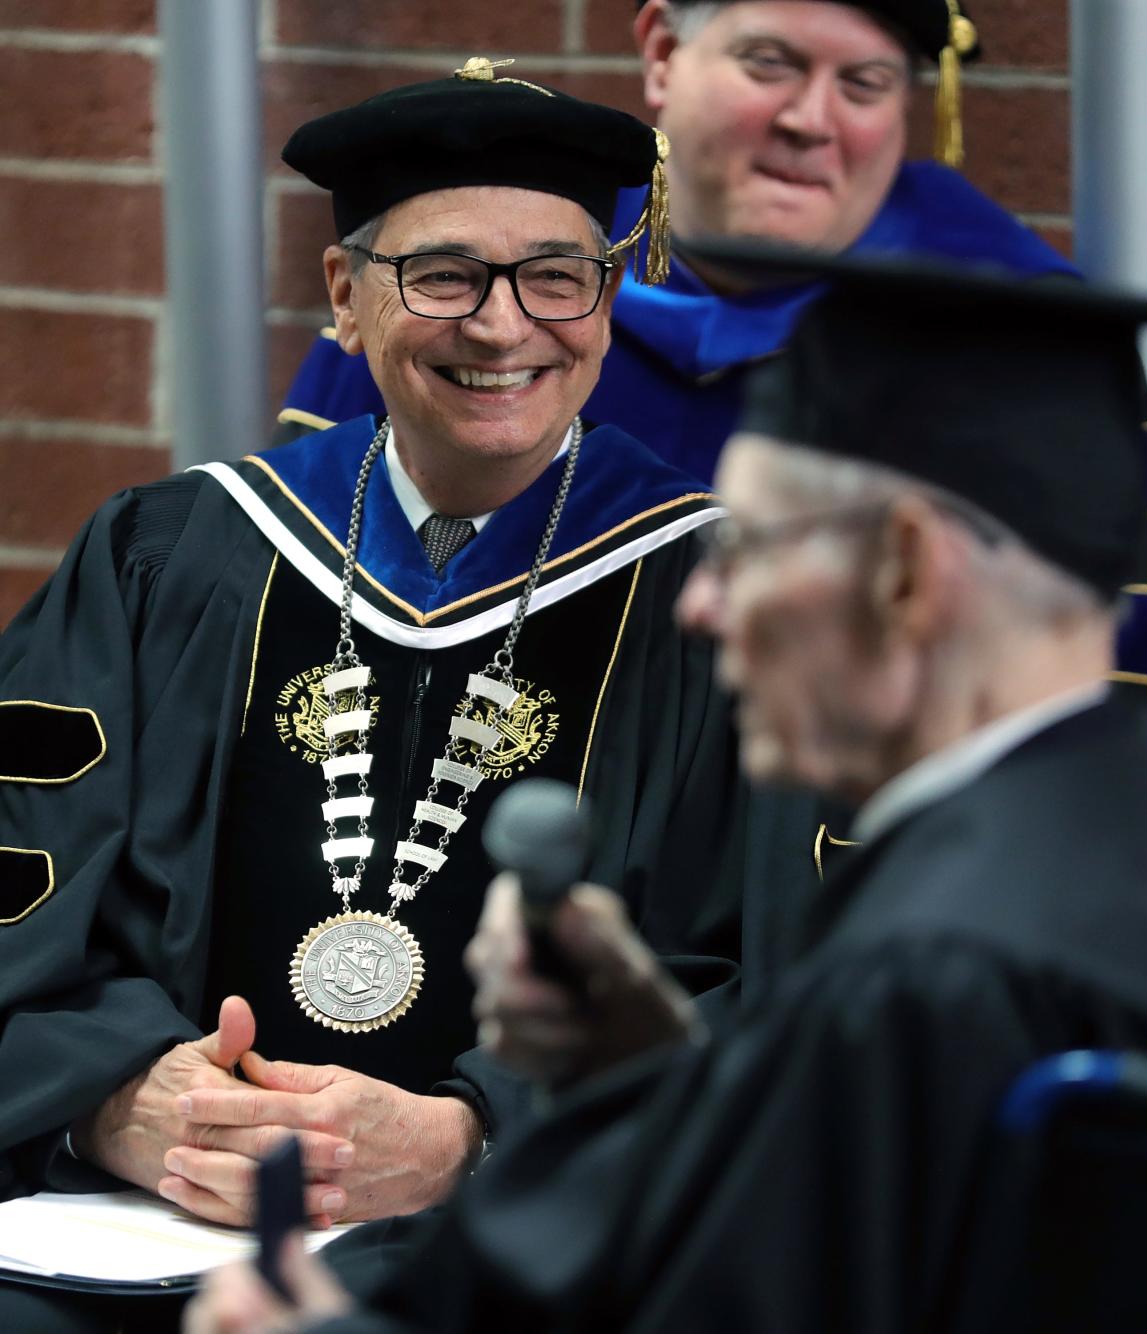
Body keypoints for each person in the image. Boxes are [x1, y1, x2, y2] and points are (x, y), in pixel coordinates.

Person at [186, 256, 1147, 1334]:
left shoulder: (930, 971)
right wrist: (646, 1071)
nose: (700, 604)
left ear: (906, 572)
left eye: (751, 547)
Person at [0, 61, 768, 1330]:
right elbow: (25, 862)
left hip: (536, 1244)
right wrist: (113, 1094)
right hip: (143, 1231)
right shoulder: (173, 552)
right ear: (346, 301)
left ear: (608, 302)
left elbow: (776, 965)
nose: (505, 325)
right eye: (445, 273)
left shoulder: (728, 597)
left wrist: (478, 1130)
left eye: (557, 276)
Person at [275, 0, 1147, 737]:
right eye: (771, 63)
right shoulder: (470, 290)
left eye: (867, 83)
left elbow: (1117, 710)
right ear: (662, 53)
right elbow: (306, 607)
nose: (811, 120)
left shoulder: (1024, 345)